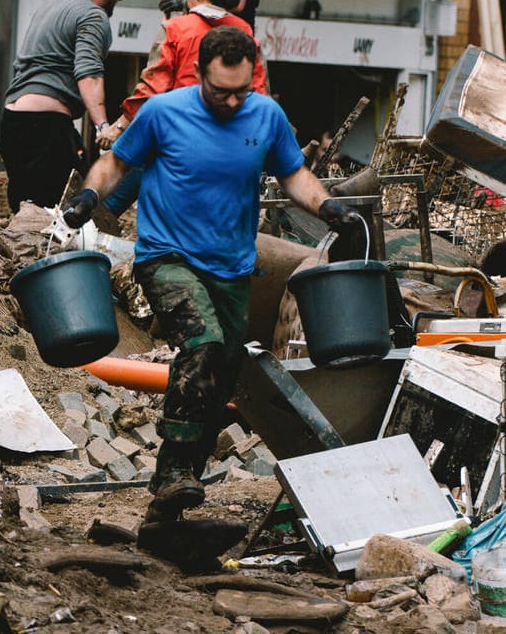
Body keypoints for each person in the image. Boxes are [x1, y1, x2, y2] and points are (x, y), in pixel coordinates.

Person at [61, 28, 360, 550]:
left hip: (231, 267)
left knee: (222, 374)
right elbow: (117, 162)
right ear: (199, 74)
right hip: (166, 257)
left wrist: (328, 207)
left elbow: (294, 175)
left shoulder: (264, 115)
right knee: (201, 346)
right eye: (221, 91)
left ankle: (164, 513)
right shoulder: (162, 113)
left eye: (241, 90)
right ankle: (175, 472)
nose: (231, 101)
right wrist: (89, 194)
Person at [97, 0, 267, 218]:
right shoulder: (245, 31)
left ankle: (88, 223)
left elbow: (152, 88)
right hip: (230, 145)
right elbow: (259, 93)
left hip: (178, 139)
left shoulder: (175, 29)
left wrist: (119, 127)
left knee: (119, 187)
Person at [0, 0, 137, 211]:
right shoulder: (93, 16)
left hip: (12, 121)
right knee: (64, 210)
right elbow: (88, 71)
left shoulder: (50, 6)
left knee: (25, 211)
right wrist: (102, 125)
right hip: (46, 127)